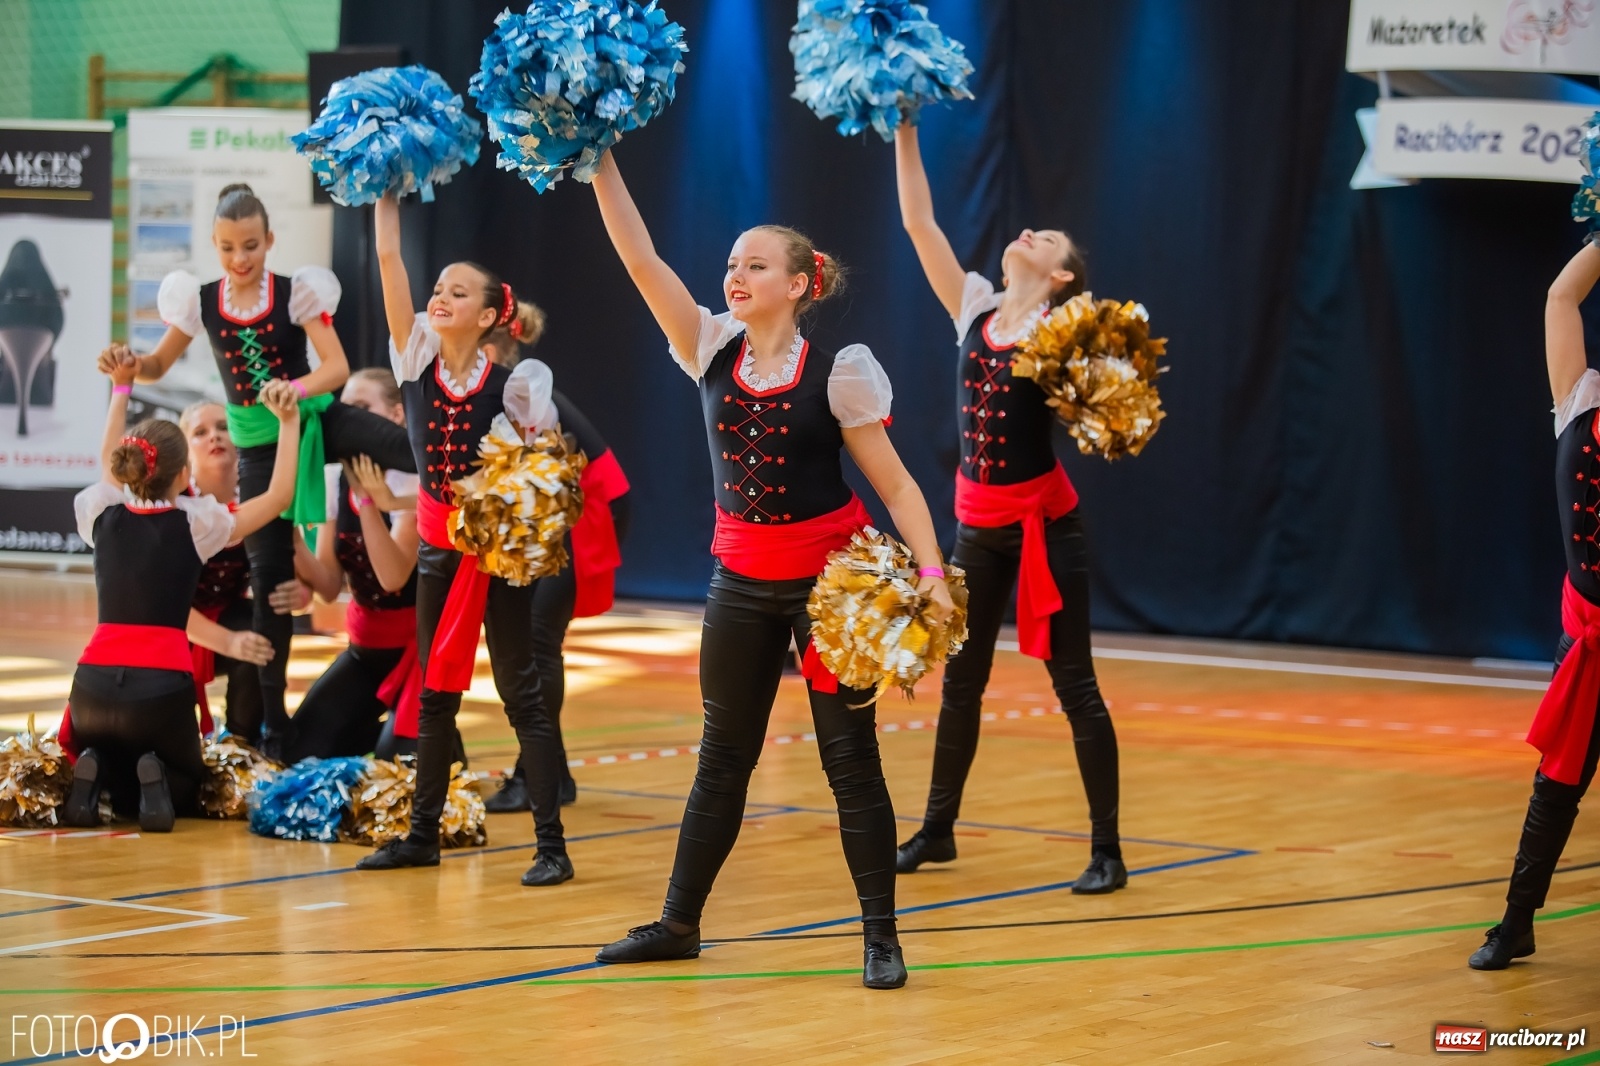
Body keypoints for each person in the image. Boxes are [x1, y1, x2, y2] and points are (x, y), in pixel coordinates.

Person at [585, 150, 955, 990]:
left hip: (831, 595)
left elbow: (896, 486)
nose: (734, 273)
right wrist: (601, 161)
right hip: (739, 587)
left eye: (755, 263)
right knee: (723, 756)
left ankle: (880, 938)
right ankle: (679, 923)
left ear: (798, 284)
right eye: (730, 263)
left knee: (849, 760)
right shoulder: (708, 347)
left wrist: (934, 582)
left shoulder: (839, 373)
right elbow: (642, 260)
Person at [99, 184, 416, 761]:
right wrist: (130, 366)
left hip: (314, 416)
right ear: (214, 247)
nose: (239, 259)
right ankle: (273, 730)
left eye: (249, 246)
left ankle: (488, 470)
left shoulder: (294, 294)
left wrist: (291, 391)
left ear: (269, 241)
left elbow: (337, 366)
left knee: (411, 450)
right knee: (271, 589)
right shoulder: (199, 300)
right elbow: (158, 363)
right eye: (226, 248)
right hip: (260, 448)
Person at [889, 125, 1125, 893]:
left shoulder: (1064, 333)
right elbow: (919, 223)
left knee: (1075, 686)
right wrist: (906, 129)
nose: (1026, 233)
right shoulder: (973, 307)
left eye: (1044, 237)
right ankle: (938, 830)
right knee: (962, 681)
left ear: (1060, 276)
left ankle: (1107, 850)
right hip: (977, 530)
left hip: (1046, 527)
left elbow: (1111, 413)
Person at [354, 191, 572, 886]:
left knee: (521, 692)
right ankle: (422, 835)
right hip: (434, 550)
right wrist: (384, 198)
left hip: (494, 555)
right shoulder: (415, 362)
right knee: (434, 694)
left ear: (485, 318)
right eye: (438, 287)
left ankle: (551, 847)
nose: (439, 297)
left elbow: (537, 474)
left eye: (458, 292)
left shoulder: (512, 388)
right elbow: (389, 260)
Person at [62, 364, 300, 831]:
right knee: (189, 780)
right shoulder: (196, 522)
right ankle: (159, 775)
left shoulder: (100, 513)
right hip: (162, 685)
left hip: (89, 685)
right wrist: (288, 424)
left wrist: (121, 389)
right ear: (184, 473)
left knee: (113, 763)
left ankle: (92, 770)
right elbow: (277, 497)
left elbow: (107, 468)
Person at [1468, 241, 1600, 969]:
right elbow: (1560, 297)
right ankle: (1517, 922)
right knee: (1555, 787)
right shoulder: (1581, 396)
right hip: (1585, 639)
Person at [480, 320, 632, 812]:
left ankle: (534, 776)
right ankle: (554, 775)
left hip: (570, 525)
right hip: (544, 526)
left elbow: (602, 481)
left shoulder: (519, 389)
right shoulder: (477, 393)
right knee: (530, 648)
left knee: (535, 647)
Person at [284, 369, 424, 763]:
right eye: (347, 410)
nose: (351, 421)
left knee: (396, 771)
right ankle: (372, 732)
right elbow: (329, 586)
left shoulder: (413, 482)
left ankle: (436, 740)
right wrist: (294, 541)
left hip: (416, 653)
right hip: (366, 649)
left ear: (396, 416)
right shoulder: (335, 481)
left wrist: (367, 503)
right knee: (300, 750)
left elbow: (393, 577)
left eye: (363, 408)